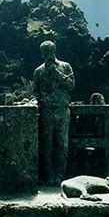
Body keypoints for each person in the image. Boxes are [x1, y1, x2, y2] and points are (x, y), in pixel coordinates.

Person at [33, 41, 75, 185]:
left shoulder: (65, 66)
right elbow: (35, 92)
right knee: (47, 145)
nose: (47, 53)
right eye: (44, 51)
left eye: (50, 50)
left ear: (55, 50)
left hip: (63, 111)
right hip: (46, 111)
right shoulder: (38, 71)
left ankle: (59, 175)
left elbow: (71, 86)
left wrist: (55, 73)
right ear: (41, 53)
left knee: (62, 144)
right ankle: (49, 175)